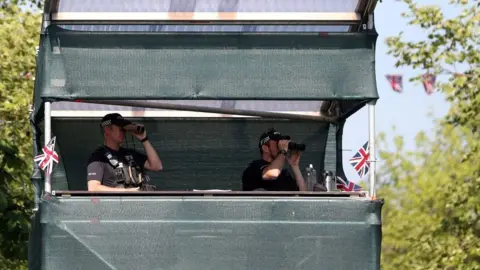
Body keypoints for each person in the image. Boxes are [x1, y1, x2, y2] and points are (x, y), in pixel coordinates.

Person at [86, 113, 163, 192]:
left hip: (139, 203)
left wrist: (144, 139)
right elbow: (93, 188)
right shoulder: (98, 157)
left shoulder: (130, 154)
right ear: (107, 130)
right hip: (116, 203)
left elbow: (157, 166)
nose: (123, 131)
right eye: (120, 128)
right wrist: (127, 192)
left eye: (124, 128)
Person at [242, 128, 307, 191]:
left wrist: (294, 166)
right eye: (278, 143)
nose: (281, 146)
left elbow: (303, 194)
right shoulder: (254, 168)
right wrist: (283, 151)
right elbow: (273, 174)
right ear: (265, 148)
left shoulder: (283, 173)